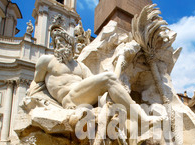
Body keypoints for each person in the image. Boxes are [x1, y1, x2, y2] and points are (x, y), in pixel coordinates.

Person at [27, 17, 160, 126]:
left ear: (71, 45)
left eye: (63, 41)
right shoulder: (46, 60)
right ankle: (141, 117)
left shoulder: (79, 65)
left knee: (108, 81)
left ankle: (137, 117)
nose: (60, 44)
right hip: (68, 100)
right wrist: (39, 103)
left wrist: (119, 63)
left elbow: (100, 83)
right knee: (108, 78)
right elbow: (36, 85)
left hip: (82, 96)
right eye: (56, 42)